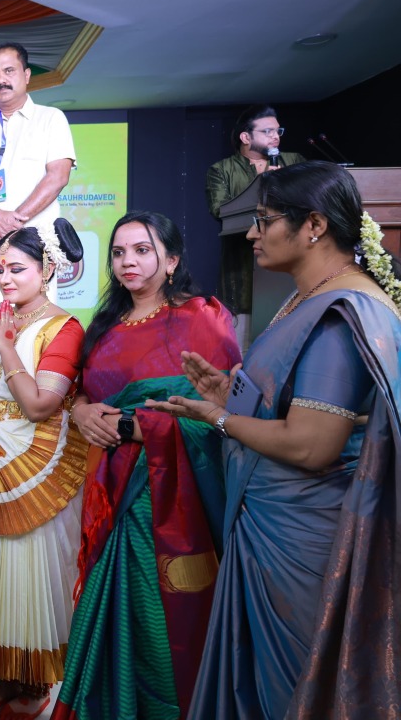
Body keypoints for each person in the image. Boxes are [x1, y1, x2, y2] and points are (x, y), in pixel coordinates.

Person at [150, 162, 401, 719]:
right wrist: (229, 393)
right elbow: (291, 402)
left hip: (302, 539)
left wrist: (217, 417)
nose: (251, 233)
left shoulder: (341, 314)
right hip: (274, 526)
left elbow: (313, 444)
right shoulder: (309, 296)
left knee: (291, 689)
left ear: (313, 225)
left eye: (263, 220)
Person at [51, 211, 240, 720]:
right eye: (118, 252)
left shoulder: (202, 317)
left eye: (141, 250)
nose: (127, 261)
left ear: (172, 260)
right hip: (108, 489)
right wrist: (82, 409)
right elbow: (87, 392)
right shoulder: (107, 323)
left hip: (165, 497)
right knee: (112, 614)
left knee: (160, 621)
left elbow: (225, 413)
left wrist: (141, 429)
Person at [0, 221, 86, 718]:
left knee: (31, 570)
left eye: (18, 269)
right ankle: (10, 676)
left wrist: (5, 346)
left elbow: (39, 406)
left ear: (46, 270)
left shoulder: (64, 328)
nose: (6, 278)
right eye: (1, 269)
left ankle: (42, 684)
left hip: (36, 462)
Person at [0, 42, 74, 437]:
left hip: (33, 252)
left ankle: (35, 413)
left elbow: (57, 175)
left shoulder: (50, 119)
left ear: (26, 75)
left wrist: (12, 223)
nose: (0, 80)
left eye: (8, 71)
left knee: (35, 329)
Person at [205, 105, 306, 333]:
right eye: (267, 132)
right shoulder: (222, 170)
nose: (275, 137)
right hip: (243, 271)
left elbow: (311, 201)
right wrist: (259, 186)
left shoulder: (295, 161)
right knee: (242, 352)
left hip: (290, 274)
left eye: (278, 132)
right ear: (245, 137)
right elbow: (219, 210)